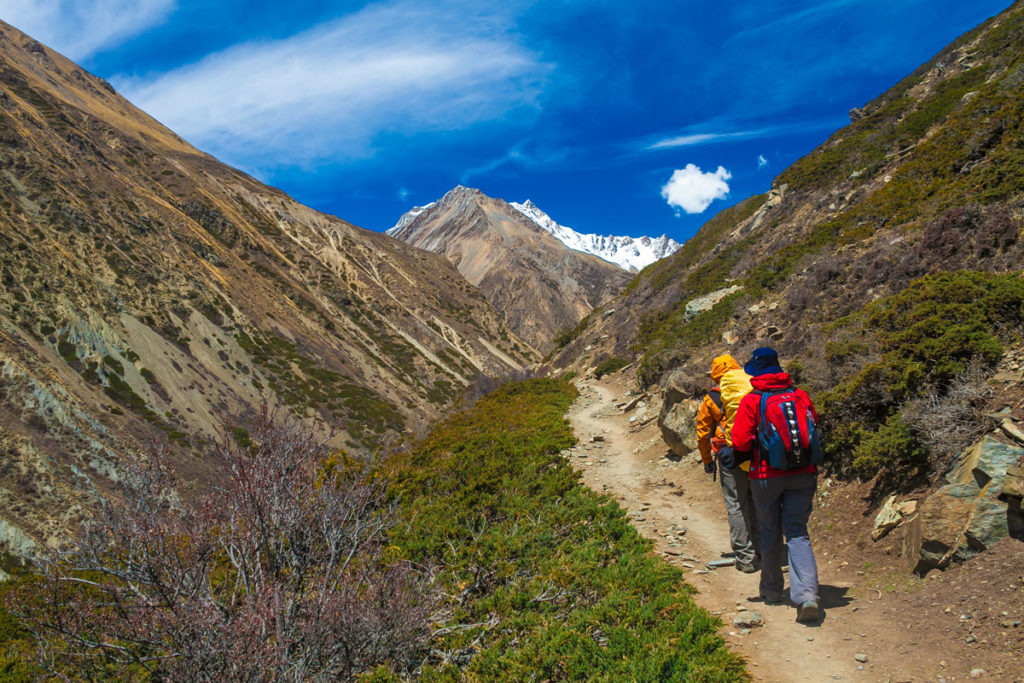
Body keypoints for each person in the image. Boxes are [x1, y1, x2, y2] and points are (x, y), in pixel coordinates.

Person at [731, 347, 821, 623]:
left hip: (766, 476)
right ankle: (806, 595)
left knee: (770, 531)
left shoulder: (752, 401)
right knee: (798, 532)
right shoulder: (799, 394)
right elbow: (814, 426)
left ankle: (771, 590)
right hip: (804, 473)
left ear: (756, 372)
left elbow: (740, 441)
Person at [695, 355, 760, 573]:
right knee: (757, 502)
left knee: (736, 503)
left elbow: (703, 434)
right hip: (757, 452)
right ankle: (765, 551)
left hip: (729, 455)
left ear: (715, 375)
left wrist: (707, 461)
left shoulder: (711, 399)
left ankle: (746, 556)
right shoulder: (753, 387)